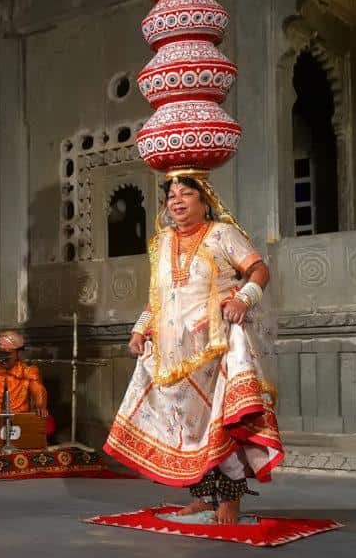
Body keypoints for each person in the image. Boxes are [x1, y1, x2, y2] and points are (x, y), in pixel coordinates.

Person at [104, 176, 284, 525]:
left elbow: (259, 270)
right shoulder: (163, 242)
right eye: (172, 196)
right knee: (185, 427)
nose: (178, 201)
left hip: (216, 344)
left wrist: (244, 299)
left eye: (187, 193)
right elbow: (158, 296)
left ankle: (230, 498)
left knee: (219, 421)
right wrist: (141, 329)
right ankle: (204, 496)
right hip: (172, 350)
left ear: (205, 199)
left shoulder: (222, 233)